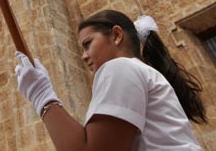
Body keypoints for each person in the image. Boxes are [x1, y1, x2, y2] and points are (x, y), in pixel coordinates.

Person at [15, 10, 206, 150]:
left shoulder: (120, 67)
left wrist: (41, 94)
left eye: (87, 44)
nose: (83, 56)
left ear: (116, 35)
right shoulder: (139, 71)